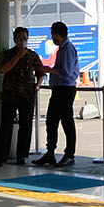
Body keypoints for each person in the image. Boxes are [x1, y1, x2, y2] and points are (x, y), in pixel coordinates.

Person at [0, 26, 44, 165]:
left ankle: (21, 155)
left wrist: (37, 86)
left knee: (26, 125)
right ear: (15, 39)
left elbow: (41, 72)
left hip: (27, 95)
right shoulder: (8, 54)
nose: (23, 40)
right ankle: (1, 156)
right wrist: (18, 56)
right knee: (6, 125)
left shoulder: (33, 55)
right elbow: (4, 69)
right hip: (10, 94)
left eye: (25, 38)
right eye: (20, 38)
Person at [35, 22, 79, 167]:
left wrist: (47, 69)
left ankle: (69, 155)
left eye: (53, 35)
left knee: (66, 122)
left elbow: (65, 72)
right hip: (59, 89)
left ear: (57, 35)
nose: (53, 38)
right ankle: (50, 153)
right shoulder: (62, 49)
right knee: (51, 121)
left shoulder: (67, 49)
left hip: (65, 89)